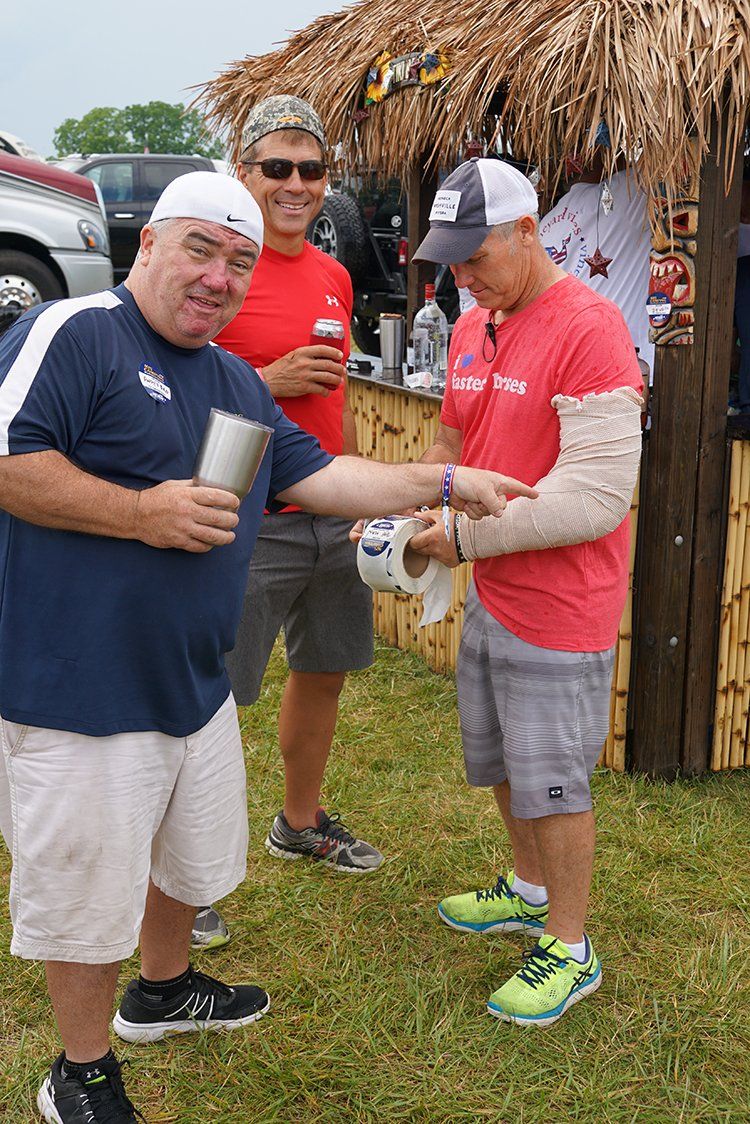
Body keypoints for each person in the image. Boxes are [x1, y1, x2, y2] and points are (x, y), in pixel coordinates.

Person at [0, 169, 530, 1122]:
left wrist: (449, 480)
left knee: (184, 857)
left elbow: (319, 477)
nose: (218, 277)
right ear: (148, 245)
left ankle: (162, 992)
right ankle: (76, 1073)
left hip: (193, 684)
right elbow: (10, 461)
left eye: (239, 263)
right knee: (84, 891)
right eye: (201, 249)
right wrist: (141, 515)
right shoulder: (76, 335)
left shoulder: (234, 380)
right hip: (78, 685)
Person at [405, 158, 643, 1027]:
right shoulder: (474, 325)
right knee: (504, 764)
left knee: (555, 785)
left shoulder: (591, 326)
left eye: (475, 254)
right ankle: (528, 887)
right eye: (451, 257)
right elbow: (450, 451)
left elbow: (595, 499)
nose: (460, 274)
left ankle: (571, 947)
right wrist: (402, 516)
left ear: (527, 232)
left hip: (562, 605)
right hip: (495, 595)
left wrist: (459, 539)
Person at [193, 97, 377, 956]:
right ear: (245, 172)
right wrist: (267, 374)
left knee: (326, 670)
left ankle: (298, 822)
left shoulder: (335, 277)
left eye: (310, 170)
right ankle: (186, 875)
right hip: (246, 516)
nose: (296, 185)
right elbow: (178, 393)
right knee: (211, 698)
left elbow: (337, 404)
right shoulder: (220, 268)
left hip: (327, 517)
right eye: (277, 168)